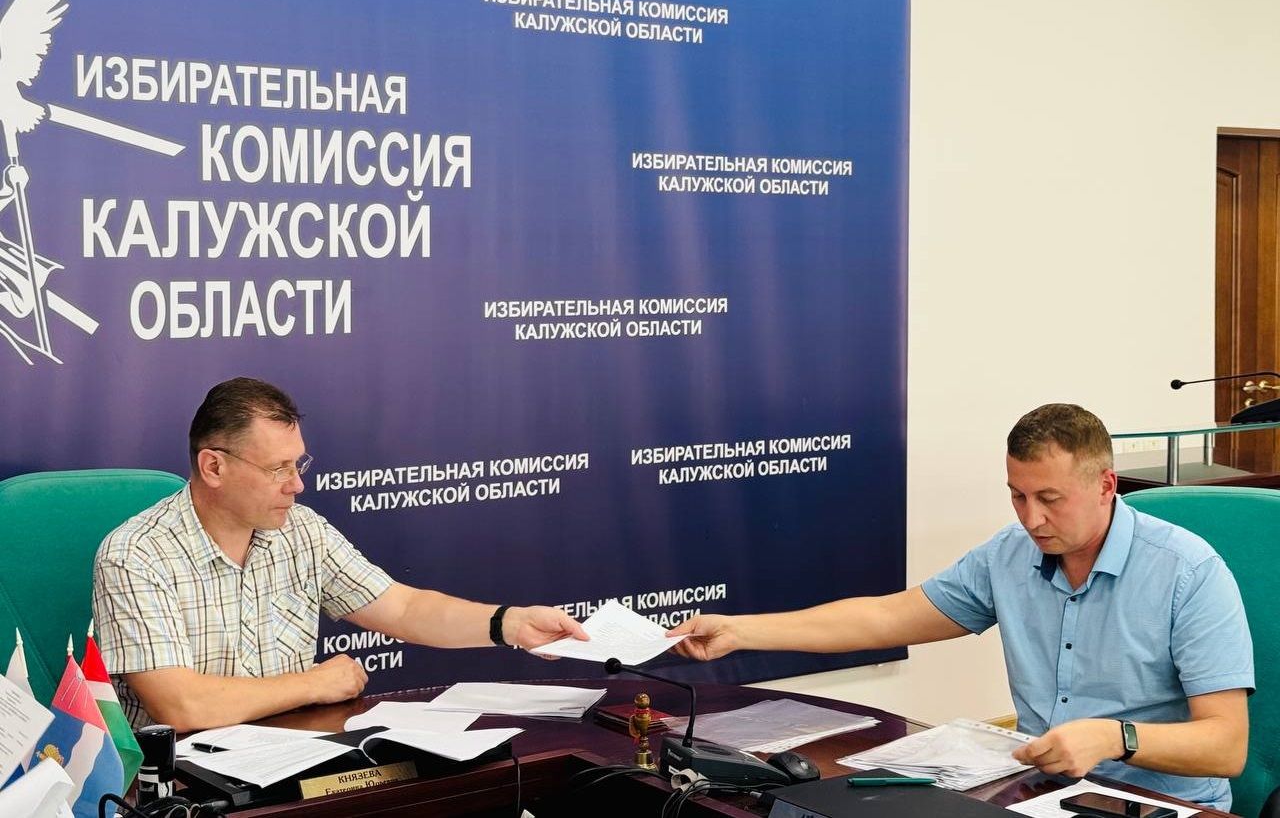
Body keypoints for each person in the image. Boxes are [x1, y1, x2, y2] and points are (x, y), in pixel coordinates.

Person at [668, 404, 1252, 811]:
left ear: (1106, 485)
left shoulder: (1187, 572)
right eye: (1018, 496)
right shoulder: (1009, 554)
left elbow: (1227, 747)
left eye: (1050, 499)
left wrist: (1114, 737)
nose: (1032, 519)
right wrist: (741, 631)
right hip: (1041, 794)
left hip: (1158, 804)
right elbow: (886, 617)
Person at [92, 377, 588, 731]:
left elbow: (403, 608)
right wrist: (313, 684)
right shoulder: (136, 555)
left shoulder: (302, 531)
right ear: (213, 467)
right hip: (182, 783)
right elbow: (182, 707)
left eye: (298, 464)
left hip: (289, 756)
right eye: (278, 469)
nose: (297, 484)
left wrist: (510, 624)